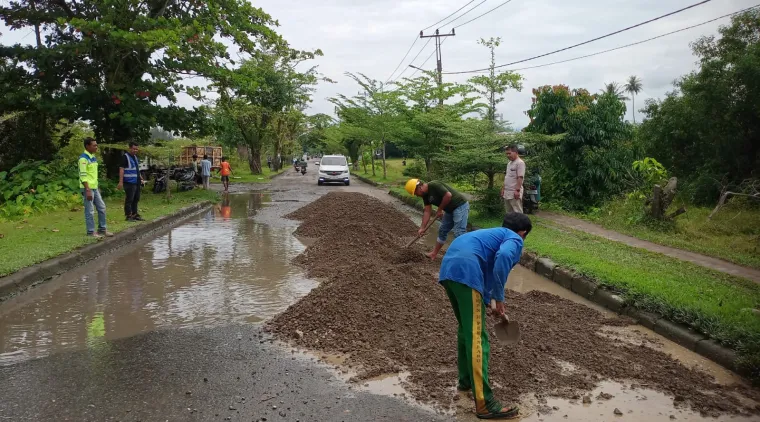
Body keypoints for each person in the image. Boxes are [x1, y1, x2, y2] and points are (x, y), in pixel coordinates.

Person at [438, 212, 532, 420]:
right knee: (478, 338)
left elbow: (488, 268)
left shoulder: (490, 234)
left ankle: (466, 381)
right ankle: (485, 403)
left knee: (465, 330)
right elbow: (503, 257)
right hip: (467, 273)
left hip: (449, 271)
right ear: (523, 233)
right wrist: (499, 298)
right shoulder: (514, 239)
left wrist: (488, 298)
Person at [405, 178, 470, 260]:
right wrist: (422, 228)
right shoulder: (425, 196)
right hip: (449, 210)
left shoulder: (434, 184)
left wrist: (439, 210)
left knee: (459, 232)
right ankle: (433, 254)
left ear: (419, 187)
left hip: (460, 205)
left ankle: (465, 258)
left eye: (415, 193)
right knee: (442, 230)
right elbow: (427, 212)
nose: (417, 195)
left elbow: (448, 195)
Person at [78, 138, 113, 238]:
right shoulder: (83, 159)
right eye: (94, 145)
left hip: (94, 187)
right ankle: (91, 232)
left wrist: (96, 187)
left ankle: (102, 229)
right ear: (87, 146)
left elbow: (93, 175)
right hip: (87, 188)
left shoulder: (93, 157)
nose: (96, 147)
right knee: (90, 210)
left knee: (102, 207)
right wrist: (87, 189)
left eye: (96, 145)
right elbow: (83, 175)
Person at [117, 142, 144, 221]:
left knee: (136, 198)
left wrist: (141, 178)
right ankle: (128, 215)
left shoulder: (135, 157)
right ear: (130, 148)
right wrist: (120, 182)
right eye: (134, 149)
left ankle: (135, 214)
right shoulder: (125, 157)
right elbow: (121, 169)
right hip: (129, 182)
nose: (135, 150)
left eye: (137, 149)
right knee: (130, 199)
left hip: (136, 181)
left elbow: (136, 169)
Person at [501, 145, 526, 214]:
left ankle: (520, 225)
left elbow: (520, 177)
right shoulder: (509, 163)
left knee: (517, 212)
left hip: (514, 192)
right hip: (507, 192)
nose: (508, 155)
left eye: (509, 153)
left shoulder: (520, 163)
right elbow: (507, 177)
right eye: (506, 154)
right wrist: (503, 188)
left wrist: (517, 190)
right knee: (509, 213)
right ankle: (509, 225)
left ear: (516, 152)